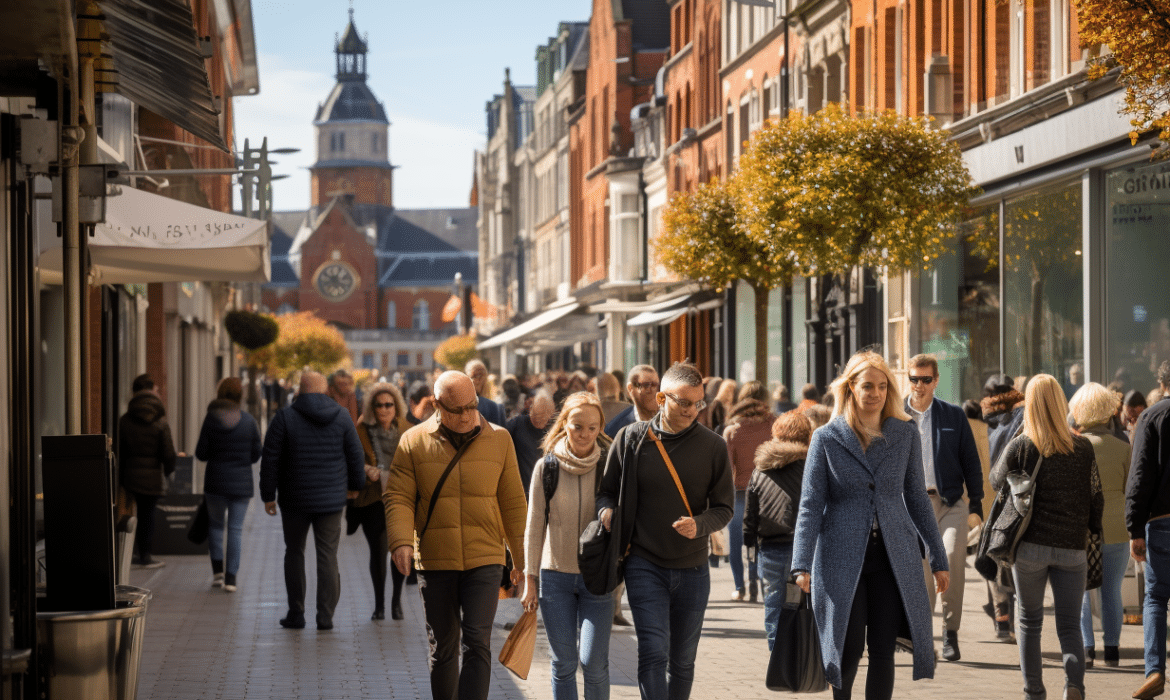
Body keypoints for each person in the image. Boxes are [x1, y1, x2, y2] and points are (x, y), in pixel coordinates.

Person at [792, 351, 948, 700]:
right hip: (840, 558)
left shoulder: (905, 433)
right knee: (846, 649)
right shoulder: (826, 438)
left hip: (893, 558)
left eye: (881, 386)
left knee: (882, 649)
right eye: (867, 386)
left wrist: (938, 557)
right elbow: (811, 504)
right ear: (850, 388)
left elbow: (918, 498)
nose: (875, 393)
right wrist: (800, 563)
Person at [596, 361, 734, 700]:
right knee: (654, 652)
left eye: (698, 403)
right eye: (683, 402)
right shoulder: (631, 438)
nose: (692, 410)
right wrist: (606, 510)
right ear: (661, 398)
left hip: (693, 568)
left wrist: (699, 525)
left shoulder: (713, 446)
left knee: (683, 661)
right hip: (644, 562)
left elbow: (724, 507)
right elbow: (606, 490)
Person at [385, 371, 527, 700]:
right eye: (456, 409)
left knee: (477, 641)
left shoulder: (500, 439)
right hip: (435, 558)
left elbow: (513, 504)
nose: (466, 416)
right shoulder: (414, 441)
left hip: (486, 558)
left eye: (472, 406)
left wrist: (522, 560)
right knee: (444, 647)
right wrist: (401, 540)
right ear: (437, 405)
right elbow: (399, 497)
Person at [991, 374, 1102, 700]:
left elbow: (996, 480)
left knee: (1029, 622)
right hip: (1072, 548)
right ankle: (1074, 685)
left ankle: (1034, 692)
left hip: (1030, 549)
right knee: (1069, 626)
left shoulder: (1023, 444)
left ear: (1030, 405)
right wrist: (1092, 532)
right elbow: (1096, 497)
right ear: (1060, 403)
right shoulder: (1082, 447)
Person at [522, 392, 614, 700]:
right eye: (577, 426)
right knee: (563, 663)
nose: (585, 434)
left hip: (597, 580)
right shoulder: (545, 468)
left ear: (601, 426)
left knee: (593, 662)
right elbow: (534, 525)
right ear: (565, 425)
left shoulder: (610, 466)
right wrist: (529, 578)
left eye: (592, 427)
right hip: (555, 578)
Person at [260, 371, 365, 631]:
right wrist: (355, 487)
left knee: (294, 553)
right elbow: (355, 455)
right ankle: (325, 616)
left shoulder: (284, 417)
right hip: (331, 500)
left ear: (299, 390)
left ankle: (296, 613)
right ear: (326, 390)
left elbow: (270, 459)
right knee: (327, 555)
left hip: (294, 499)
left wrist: (267, 495)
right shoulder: (341, 416)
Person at [904, 354, 984, 662]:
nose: (919, 386)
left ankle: (951, 632)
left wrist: (975, 503)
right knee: (923, 574)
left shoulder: (953, 415)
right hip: (912, 506)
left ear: (936, 381)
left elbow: (971, 462)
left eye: (926, 380)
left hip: (950, 502)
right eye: (914, 379)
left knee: (950, 560)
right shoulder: (895, 415)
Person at [1068, 383, 1131, 668]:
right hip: (1117, 528)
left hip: (1082, 530)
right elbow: (1131, 489)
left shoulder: (1073, 447)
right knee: (1112, 591)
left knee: (1081, 591)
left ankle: (1088, 648)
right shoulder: (1123, 448)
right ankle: (1113, 649)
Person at [744, 412, 810, 650]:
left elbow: (751, 511)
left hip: (770, 547)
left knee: (773, 604)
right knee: (804, 604)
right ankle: (803, 657)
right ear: (807, 436)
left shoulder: (761, 468)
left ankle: (777, 659)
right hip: (805, 549)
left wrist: (749, 543)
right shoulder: (811, 466)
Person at [1127, 361, 1170, 700]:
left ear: (1161, 382)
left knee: (1155, 597)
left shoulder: (1151, 417)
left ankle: (1155, 669)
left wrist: (1134, 528)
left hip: (1161, 521)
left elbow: (1139, 476)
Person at [194, 377, 261, 591]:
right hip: (241, 483)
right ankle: (231, 579)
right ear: (240, 396)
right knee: (235, 529)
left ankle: (217, 574)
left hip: (215, 481)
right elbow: (256, 454)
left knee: (215, 525)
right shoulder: (249, 421)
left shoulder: (211, 419)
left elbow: (201, 453)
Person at [352, 382, 412, 620]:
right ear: (372, 408)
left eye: (389, 404)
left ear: (396, 406)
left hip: (402, 499)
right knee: (377, 553)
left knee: (401, 549)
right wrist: (366, 469)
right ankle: (379, 605)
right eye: (379, 405)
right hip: (373, 499)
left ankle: (397, 601)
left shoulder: (408, 430)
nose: (385, 409)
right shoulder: (361, 430)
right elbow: (351, 457)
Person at [119, 373, 178, 569]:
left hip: (129, 475)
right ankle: (145, 554)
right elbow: (168, 452)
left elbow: (120, 450)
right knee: (147, 515)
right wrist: (169, 470)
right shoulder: (160, 422)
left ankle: (127, 553)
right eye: (157, 389)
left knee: (127, 513)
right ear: (152, 391)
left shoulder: (125, 420)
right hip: (152, 475)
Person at [981, 373, 1025, 639]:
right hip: (1015, 495)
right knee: (1013, 554)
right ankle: (1011, 614)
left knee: (991, 554)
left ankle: (1001, 617)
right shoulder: (1018, 421)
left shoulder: (982, 422)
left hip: (989, 497)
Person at [722, 381, 774, 602]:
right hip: (768, 491)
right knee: (760, 540)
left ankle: (739, 587)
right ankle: (758, 583)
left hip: (740, 492)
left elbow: (727, 468)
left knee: (736, 541)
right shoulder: (775, 425)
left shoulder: (733, 430)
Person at [506, 392, 556, 492]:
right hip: (520, 487)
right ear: (531, 410)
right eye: (536, 416)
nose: (538, 422)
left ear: (551, 415)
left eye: (543, 418)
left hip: (542, 490)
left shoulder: (553, 432)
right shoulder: (518, 423)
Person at [603, 365, 660, 438]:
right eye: (646, 385)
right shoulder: (616, 430)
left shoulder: (670, 420)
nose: (653, 391)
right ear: (630, 389)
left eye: (656, 385)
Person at [465, 359, 506, 426]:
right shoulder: (464, 403)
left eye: (481, 375)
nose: (477, 380)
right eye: (474, 376)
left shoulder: (496, 404)